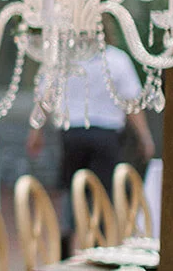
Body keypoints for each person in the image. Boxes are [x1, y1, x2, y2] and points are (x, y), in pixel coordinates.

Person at [27, 36, 155, 200]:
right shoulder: (117, 59)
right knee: (104, 193)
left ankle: (75, 215)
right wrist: (144, 137)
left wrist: (36, 131)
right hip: (105, 135)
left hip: (73, 133)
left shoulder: (61, 58)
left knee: (74, 192)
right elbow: (131, 103)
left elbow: (45, 98)